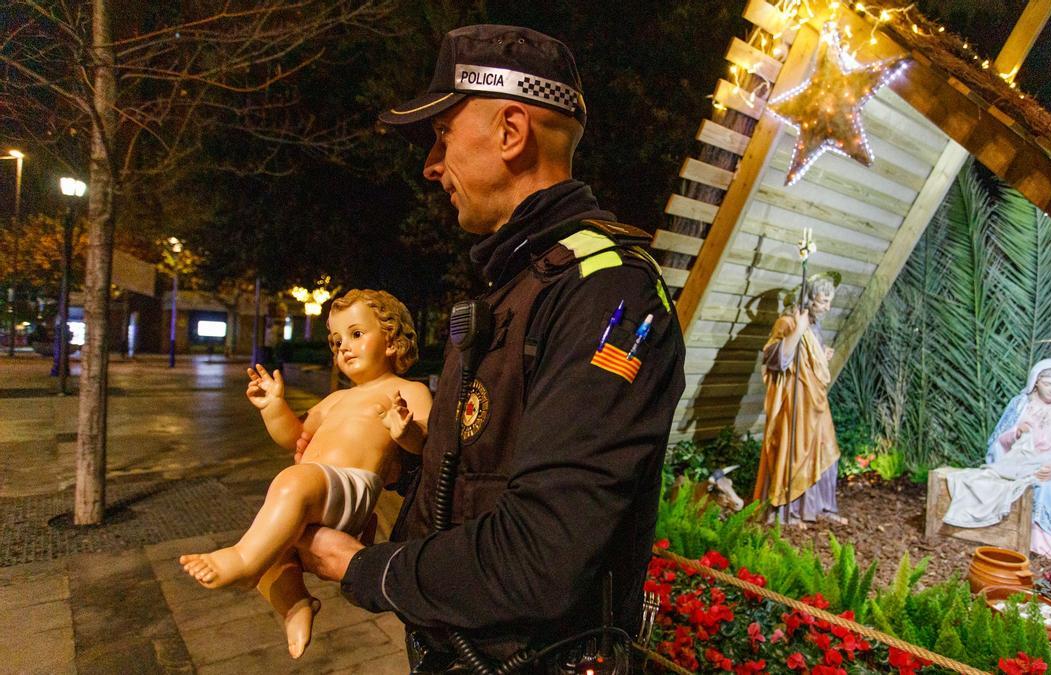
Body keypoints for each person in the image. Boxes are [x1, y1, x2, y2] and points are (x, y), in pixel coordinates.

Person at [294, 24, 685, 671]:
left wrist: (364, 567)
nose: (430, 164)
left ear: (510, 131)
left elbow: (541, 555)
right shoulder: (523, 284)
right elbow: (491, 479)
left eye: (442, 135)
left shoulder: (611, 293)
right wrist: (398, 467)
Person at [180, 289, 432, 658]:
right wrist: (273, 407)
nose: (343, 347)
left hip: (350, 486)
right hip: (316, 488)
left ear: (393, 341)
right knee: (273, 548)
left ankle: (243, 564)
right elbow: (294, 437)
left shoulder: (406, 390)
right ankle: (296, 605)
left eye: (356, 334)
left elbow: (427, 442)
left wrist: (405, 431)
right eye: (336, 340)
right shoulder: (335, 399)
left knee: (287, 487)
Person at [943, 358, 1051, 559]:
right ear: (1036, 381)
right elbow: (998, 442)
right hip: (1021, 465)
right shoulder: (1021, 405)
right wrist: (1017, 432)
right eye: (1048, 384)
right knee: (983, 482)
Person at [751, 275, 844, 526]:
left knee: (826, 450)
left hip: (815, 400)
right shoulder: (787, 322)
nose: (827, 307)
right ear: (808, 299)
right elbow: (775, 359)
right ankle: (788, 512)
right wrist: (798, 330)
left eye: (828, 302)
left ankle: (821, 507)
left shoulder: (813, 326)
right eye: (823, 301)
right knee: (795, 453)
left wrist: (822, 354)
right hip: (795, 400)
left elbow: (810, 360)